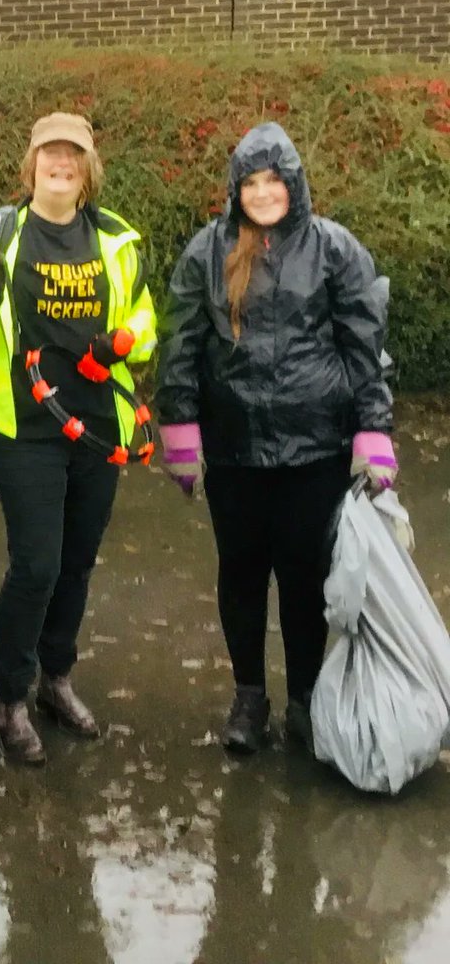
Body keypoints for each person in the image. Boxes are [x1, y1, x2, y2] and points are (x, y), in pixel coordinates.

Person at [156, 122, 395, 754]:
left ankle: (305, 701)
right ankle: (249, 697)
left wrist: (374, 427)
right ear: (236, 189)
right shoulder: (207, 252)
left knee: (302, 579)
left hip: (313, 449)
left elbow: (364, 346)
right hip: (235, 450)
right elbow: (181, 344)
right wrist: (179, 425)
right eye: (251, 182)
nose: (263, 193)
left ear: (295, 184)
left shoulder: (335, 250)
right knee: (240, 574)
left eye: (274, 181)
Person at [0, 112, 156, 764]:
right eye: (50, 155)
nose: (60, 165)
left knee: (76, 561)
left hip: (97, 425)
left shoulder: (118, 239)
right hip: (26, 424)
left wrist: (121, 342)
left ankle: (56, 680)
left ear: (87, 169)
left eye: (73, 157)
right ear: (32, 165)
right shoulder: (0, 232)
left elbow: (146, 323)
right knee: (36, 562)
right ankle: (9, 698)